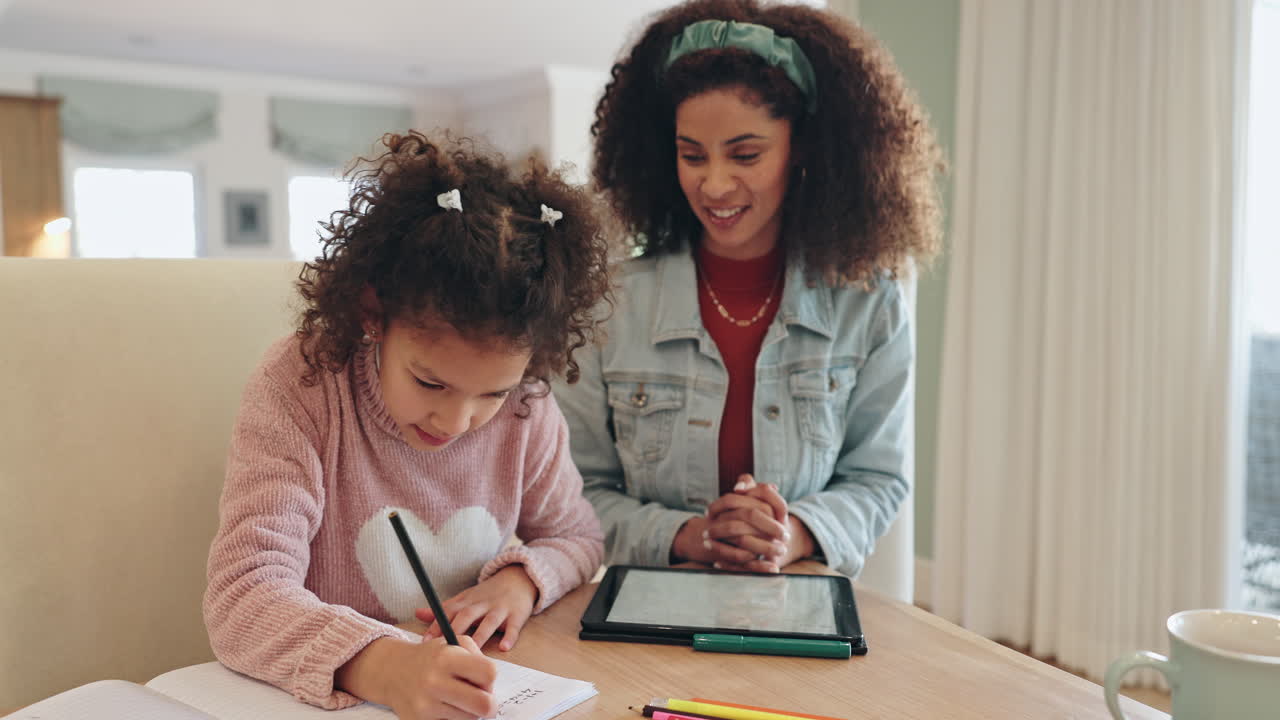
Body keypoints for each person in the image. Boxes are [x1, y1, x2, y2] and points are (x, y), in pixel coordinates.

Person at [203, 131, 612, 719]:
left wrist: (521, 580)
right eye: (430, 383)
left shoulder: (528, 404)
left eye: (491, 392)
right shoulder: (304, 384)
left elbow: (577, 538)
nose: (457, 420)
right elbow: (241, 596)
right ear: (373, 313)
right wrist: (384, 666)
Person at [555, 0, 942, 579]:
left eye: (746, 154)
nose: (714, 184)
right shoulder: (606, 305)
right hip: (647, 610)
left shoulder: (870, 304)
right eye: (692, 155)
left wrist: (795, 535)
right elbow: (572, 490)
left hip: (799, 600)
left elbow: (877, 477)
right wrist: (689, 536)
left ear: (803, 149)